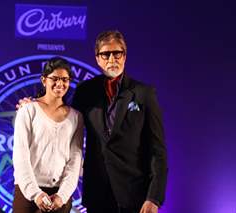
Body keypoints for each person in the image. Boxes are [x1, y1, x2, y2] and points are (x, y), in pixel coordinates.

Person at [17, 30, 167, 213]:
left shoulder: (144, 93)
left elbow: (158, 151)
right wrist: (30, 105)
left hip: (134, 195)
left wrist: (154, 198)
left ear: (125, 56)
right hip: (97, 195)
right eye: (105, 54)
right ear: (98, 59)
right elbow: (59, 114)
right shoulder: (85, 91)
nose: (112, 59)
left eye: (117, 53)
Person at [12, 57, 84, 213]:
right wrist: (35, 193)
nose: (60, 84)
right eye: (54, 79)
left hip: (60, 198)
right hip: (27, 194)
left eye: (64, 79)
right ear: (44, 80)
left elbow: (75, 161)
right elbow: (20, 156)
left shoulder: (76, 117)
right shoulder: (28, 110)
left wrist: (62, 196)